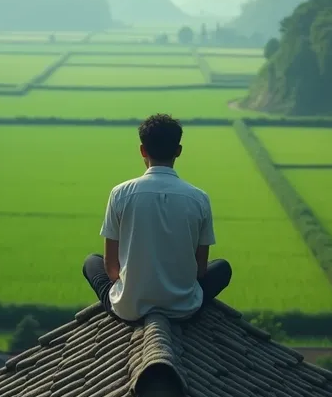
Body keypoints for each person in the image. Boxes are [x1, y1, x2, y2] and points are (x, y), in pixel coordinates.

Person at [83, 113, 232, 322]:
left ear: (142, 150)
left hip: (129, 310)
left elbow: (111, 266)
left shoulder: (120, 193)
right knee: (222, 268)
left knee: (91, 262)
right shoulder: (199, 198)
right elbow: (200, 269)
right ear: (178, 151)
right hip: (183, 309)